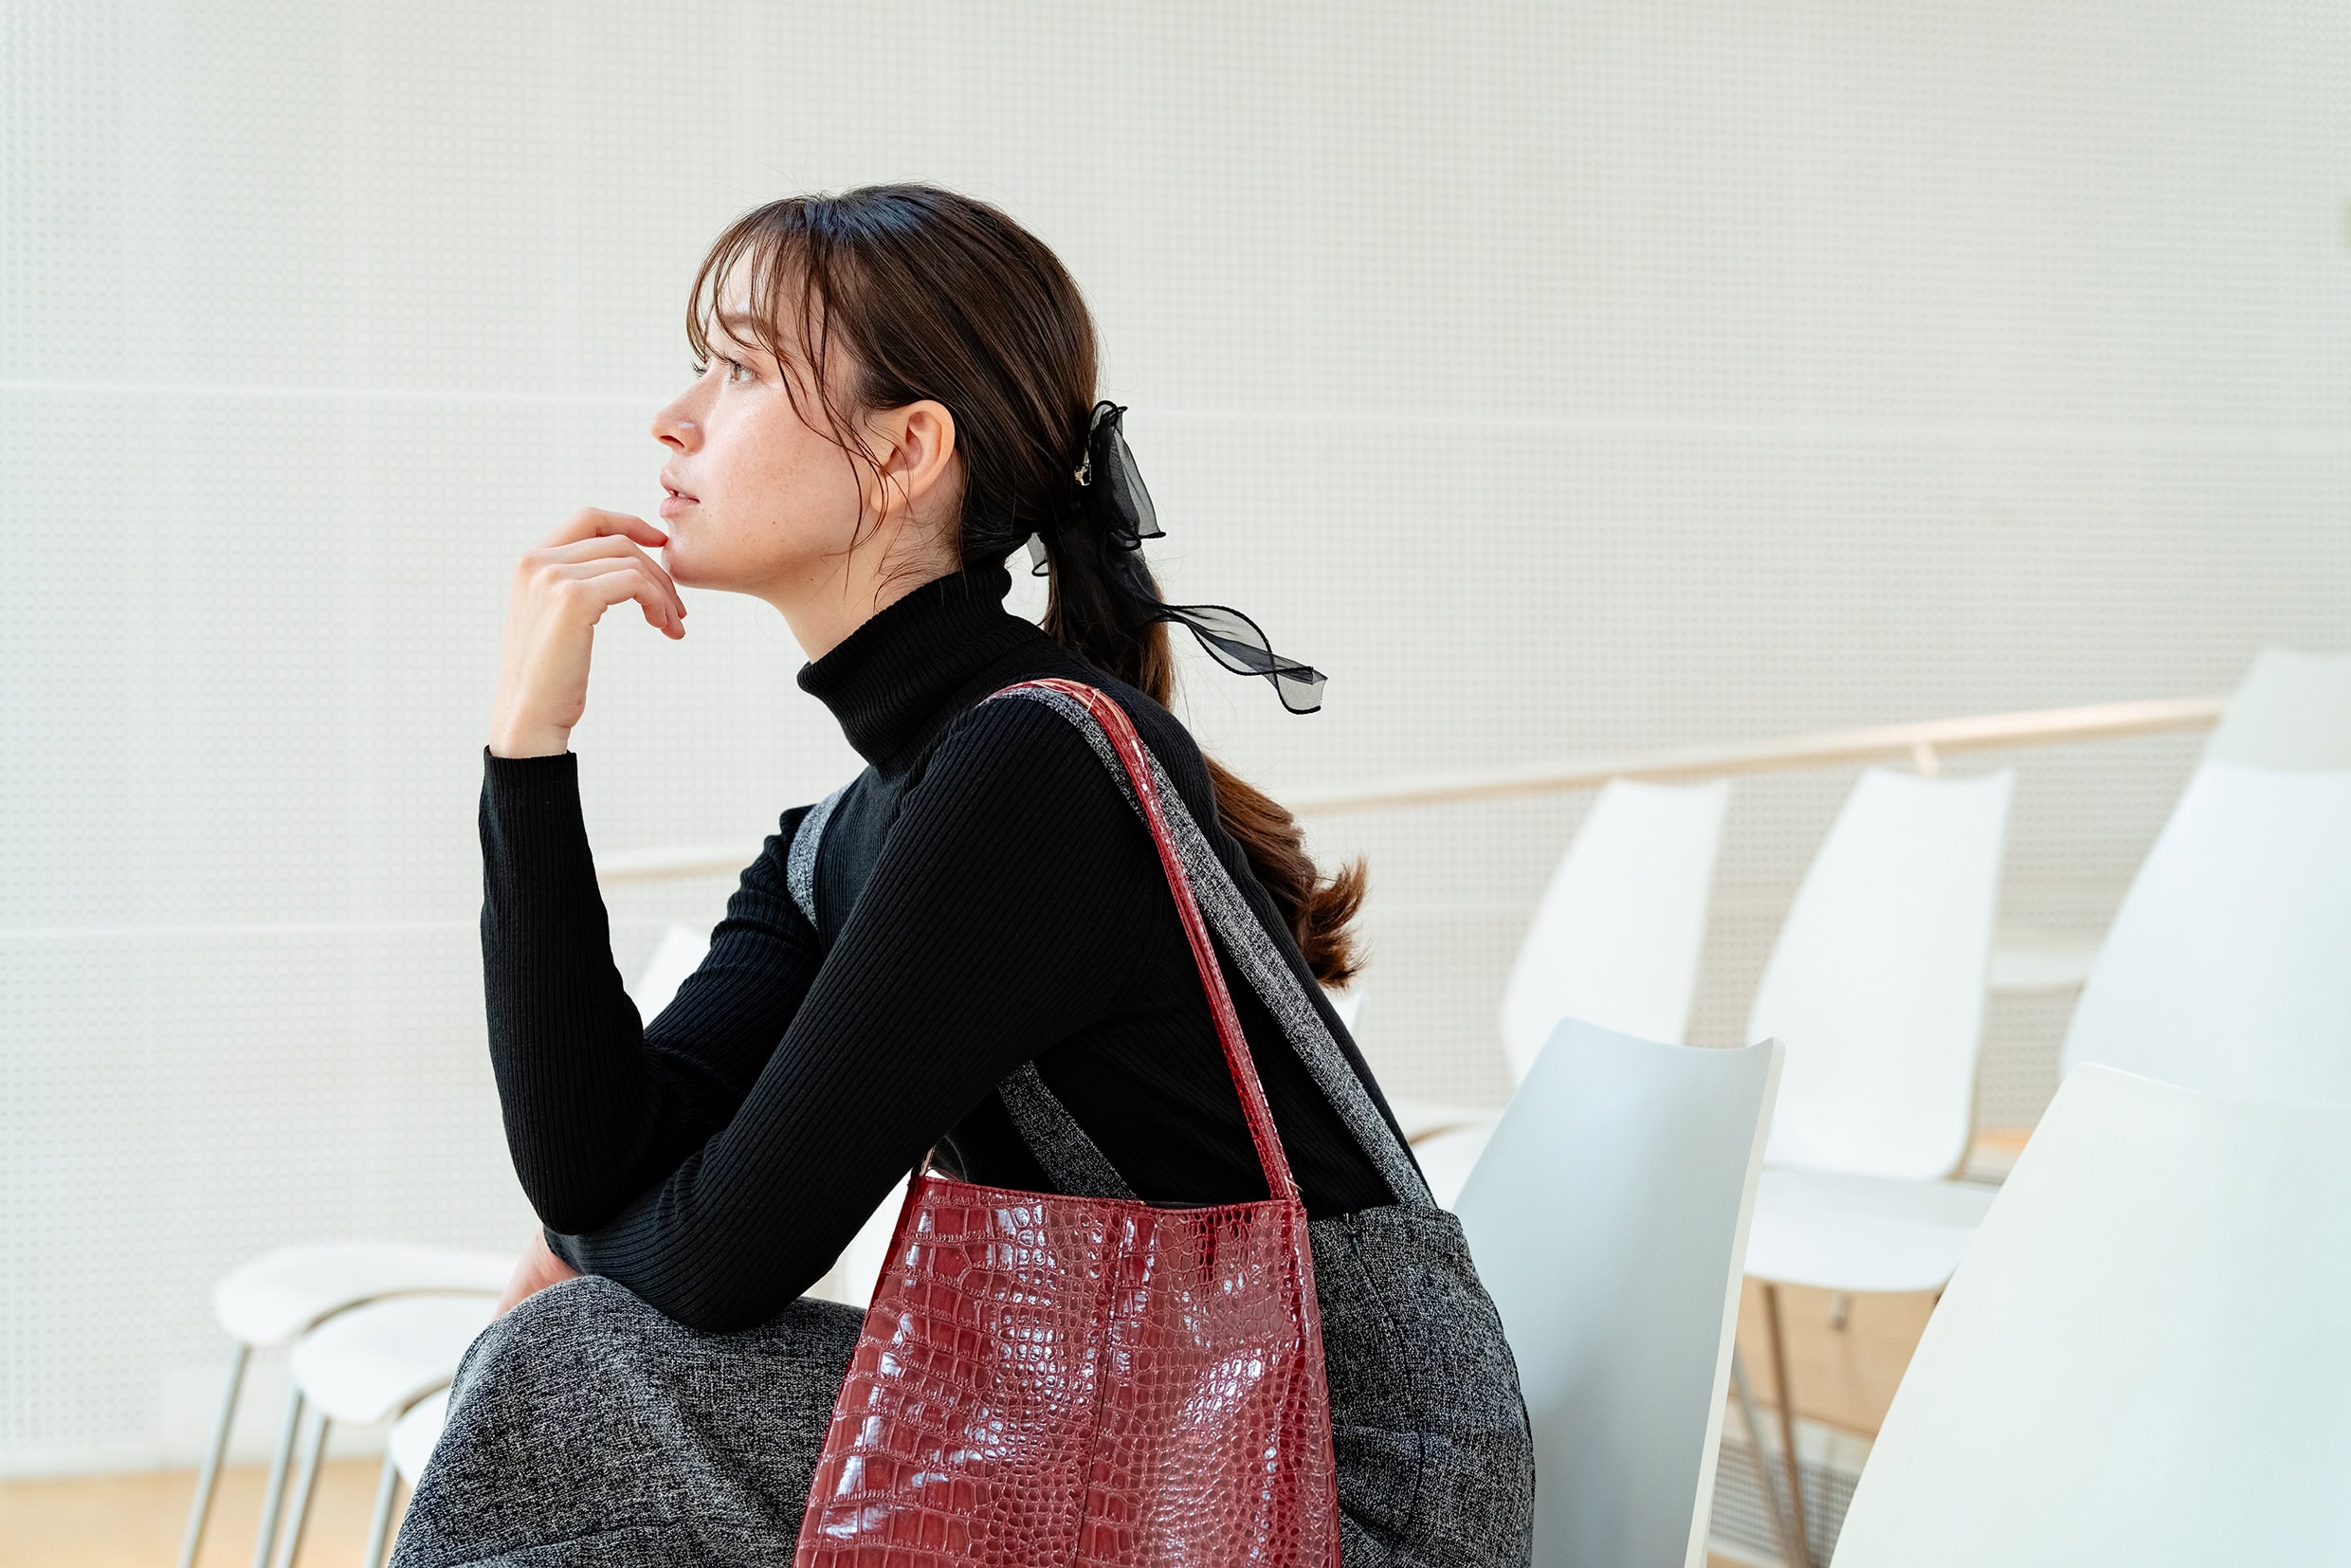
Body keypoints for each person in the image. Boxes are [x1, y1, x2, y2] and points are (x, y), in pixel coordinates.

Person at [392, 183, 1534, 1568]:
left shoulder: (1029, 773)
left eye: (741, 368)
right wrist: (530, 753)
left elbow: (718, 1256)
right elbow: (600, 1160)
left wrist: (581, 1246)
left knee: (579, 1366)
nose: (674, 417)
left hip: (1328, 1486)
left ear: (906, 449)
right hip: (1136, 1427)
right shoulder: (850, 830)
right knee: (578, 1354)